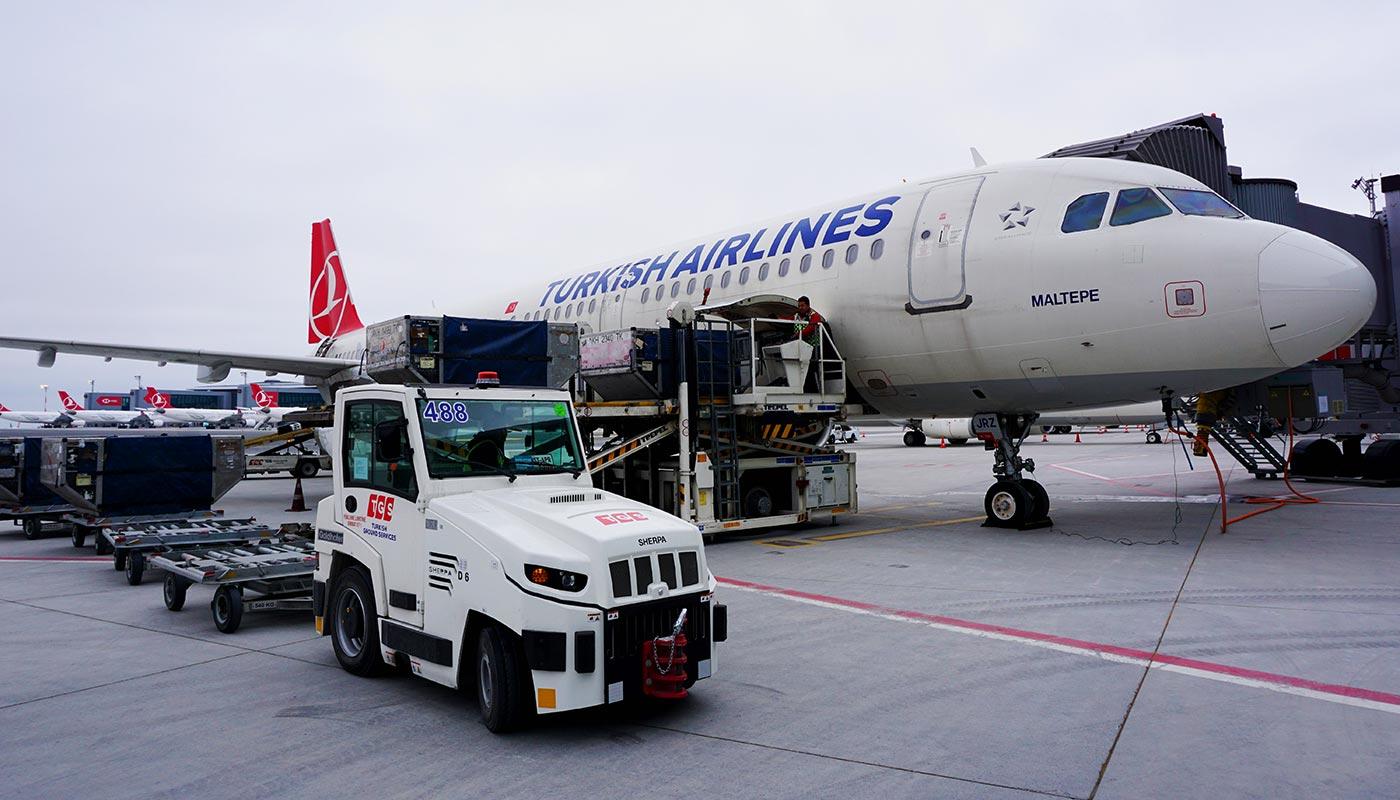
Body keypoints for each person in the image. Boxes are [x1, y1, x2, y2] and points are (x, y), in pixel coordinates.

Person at [782, 296, 825, 392]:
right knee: (800, 368)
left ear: (808, 305)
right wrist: (777, 319)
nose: (800, 307)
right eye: (799, 306)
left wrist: (798, 335)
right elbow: (786, 320)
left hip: (813, 347)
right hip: (800, 347)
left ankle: (813, 390)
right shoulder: (796, 316)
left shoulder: (814, 315)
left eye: (802, 305)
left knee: (810, 369)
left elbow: (810, 328)